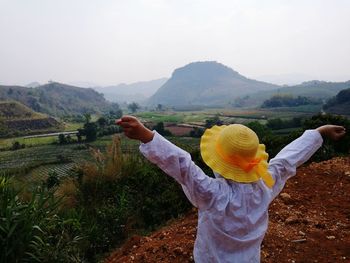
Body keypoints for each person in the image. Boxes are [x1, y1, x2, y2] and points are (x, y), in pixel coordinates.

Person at [116, 115, 346, 263]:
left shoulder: (211, 194)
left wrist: (147, 136)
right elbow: (286, 161)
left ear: (218, 162)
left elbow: (183, 166)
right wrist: (318, 133)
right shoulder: (266, 183)